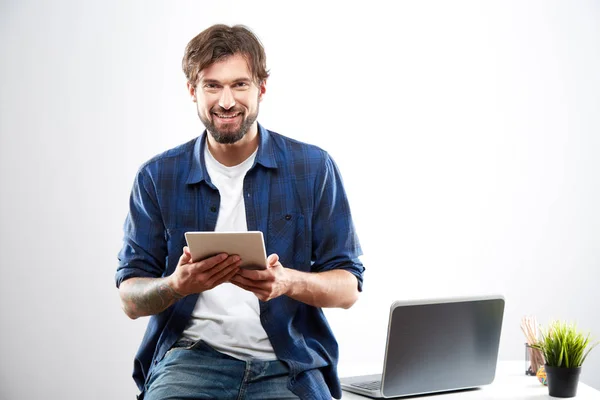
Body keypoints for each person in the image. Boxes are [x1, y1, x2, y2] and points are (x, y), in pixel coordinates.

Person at [115, 24, 364, 400]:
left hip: (289, 365)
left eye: (240, 84)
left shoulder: (312, 168)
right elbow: (130, 299)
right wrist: (176, 285)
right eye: (212, 85)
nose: (226, 101)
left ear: (261, 88)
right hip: (190, 362)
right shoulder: (157, 176)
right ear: (192, 91)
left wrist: (288, 283)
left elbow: (348, 288)